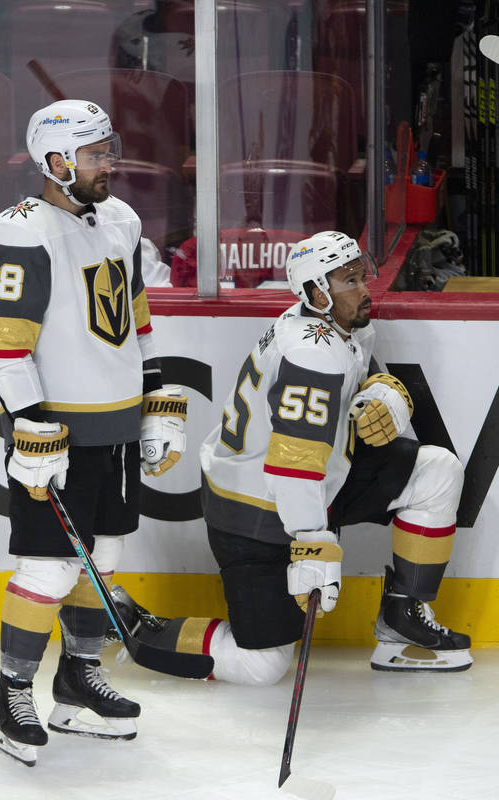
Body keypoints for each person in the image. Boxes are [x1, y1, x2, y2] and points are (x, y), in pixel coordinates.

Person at [110, 231, 473, 686]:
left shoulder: (340, 322)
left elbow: (353, 383)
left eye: (363, 275)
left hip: (313, 487)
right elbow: (293, 462)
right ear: (318, 293)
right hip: (253, 513)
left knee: (436, 471)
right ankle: (135, 625)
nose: (364, 289)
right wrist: (310, 541)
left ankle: (401, 618)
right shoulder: (311, 353)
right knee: (260, 666)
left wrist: (383, 389)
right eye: (350, 281)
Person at [0, 99, 188, 767]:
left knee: (105, 562)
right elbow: (3, 347)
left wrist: (154, 398)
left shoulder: (120, 220)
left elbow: (137, 318)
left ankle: (78, 677)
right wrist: (29, 426)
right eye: (95, 154)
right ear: (56, 161)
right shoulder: (20, 231)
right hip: (57, 432)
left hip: (118, 424)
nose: (109, 163)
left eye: (108, 149)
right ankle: (12, 692)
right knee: (46, 567)